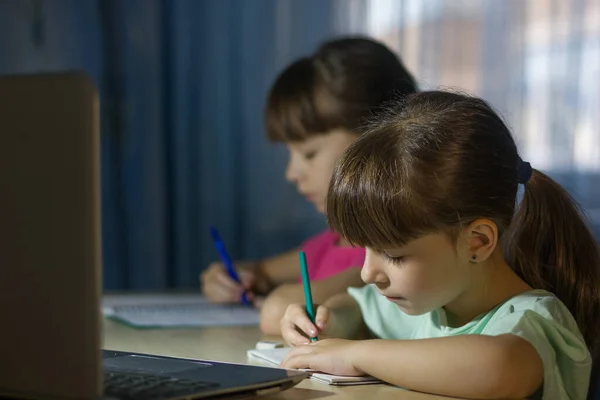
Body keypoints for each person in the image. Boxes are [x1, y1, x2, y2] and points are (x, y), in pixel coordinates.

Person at [279, 91, 600, 399]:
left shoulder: (532, 321)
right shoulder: (428, 305)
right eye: (366, 250)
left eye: (393, 255)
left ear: (478, 241)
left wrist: (355, 354)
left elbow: (498, 368)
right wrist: (327, 321)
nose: (367, 273)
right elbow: (356, 307)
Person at [200, 36, 418, 335]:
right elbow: (259, 271)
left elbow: (283, 307)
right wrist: (229, 277)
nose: (292, 172)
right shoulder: (335, 240)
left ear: (377, 138)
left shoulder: (396, 254)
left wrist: (270, 294)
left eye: (309, 153)